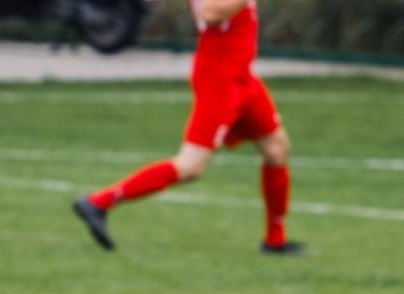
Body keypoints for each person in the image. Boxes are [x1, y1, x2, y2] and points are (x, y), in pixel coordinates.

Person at [72, 0, 302, 255]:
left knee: (276, 148)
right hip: (220, 79)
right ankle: (99, 203)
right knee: (190, 166)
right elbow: (210, 12)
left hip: (243, 77)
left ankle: (275, 239)